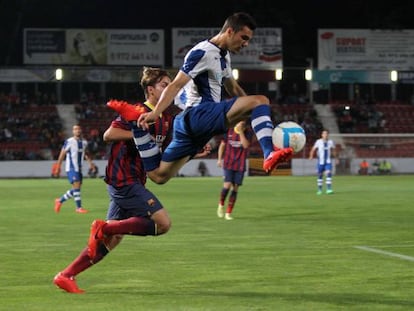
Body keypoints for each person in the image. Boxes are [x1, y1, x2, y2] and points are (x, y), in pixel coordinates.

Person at [107, 12, 293, 186]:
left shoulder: (223, 56)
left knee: (159, 176)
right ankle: (269, 153)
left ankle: (137, 129)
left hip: (191, 125)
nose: (245, 44)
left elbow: (233, 88)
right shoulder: (202, 52)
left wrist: (251, 115)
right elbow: (175, 85)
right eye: (243, 38)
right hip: (197, 114)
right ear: (229, 31)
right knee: (261, 100)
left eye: (248, 40)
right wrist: (156, 113)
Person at [53, 67, 176, 293]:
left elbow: (163, 149)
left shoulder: (165, 119)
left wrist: (194, 150)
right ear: (150, 90)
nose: (170, 89)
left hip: (136, 180)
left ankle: (66, 275)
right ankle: (105, 227)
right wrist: (139, 135)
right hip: (123, 178)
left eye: (171, 84)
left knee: (113, 239)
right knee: (163, 223)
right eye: (164, 85)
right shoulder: (138, 111)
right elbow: (108, 135)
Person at [54, 124, 94, 213]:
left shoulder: (84, 142)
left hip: (79, 168)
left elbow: (86, 154)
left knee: (77, 188)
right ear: (73, 131)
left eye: (79, 129)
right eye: (75, 129)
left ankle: (59, 201)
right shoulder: (69, 141)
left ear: (81, 130)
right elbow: (62, 155)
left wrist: (91, 164)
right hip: (71, 168)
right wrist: (58, 167)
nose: (77, 131)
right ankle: (78, 208)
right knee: (76, 185)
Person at [217, 120, 251, 220]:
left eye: (243, 123)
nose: (240, 124)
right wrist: (219, 159)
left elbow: (245, 145)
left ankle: (228, 213)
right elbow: (222, 145)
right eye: (239, 122)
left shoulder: (247, 132)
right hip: (228, 163)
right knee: (227, 186)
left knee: (235, 188)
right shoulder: (228, 130)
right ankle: (221, 204)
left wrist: (240, 132)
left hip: (240, 164)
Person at [308, 129, 336, 195]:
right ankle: (320, 190)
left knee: (328, 173)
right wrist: (311, 156)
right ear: (322, 135)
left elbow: (334, 150)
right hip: (320, 162)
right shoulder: (318, 141)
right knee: (320, 175)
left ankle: (329, 189)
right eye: (324, 134)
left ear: (328, 135)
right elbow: (313, 149)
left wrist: (336, 158)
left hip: (328, 162)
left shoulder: (330, 142)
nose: (325, 135)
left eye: (326, 134)